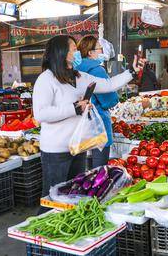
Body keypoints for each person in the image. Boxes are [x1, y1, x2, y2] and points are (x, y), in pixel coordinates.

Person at [32, 35, 133, 207]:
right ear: (61, 53)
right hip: (56, 150)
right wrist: (74, 108)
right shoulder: (46, 79)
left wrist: (131, 72)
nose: (77, 52)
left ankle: (66, 230)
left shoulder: (80, 77)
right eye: (73, 48)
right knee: (52, 198)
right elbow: (41, 114)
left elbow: (108, 85)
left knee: (73, 195)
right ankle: (46, 232)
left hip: (77, 147)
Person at [75, 35, 119, 168]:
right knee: (99, 170)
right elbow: (109, 100)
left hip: (79, 125)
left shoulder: (74, 69)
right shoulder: (97, 70)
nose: (102, 51)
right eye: (100, 48)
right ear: (90, 52)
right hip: (97, 125)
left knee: (83, 170)